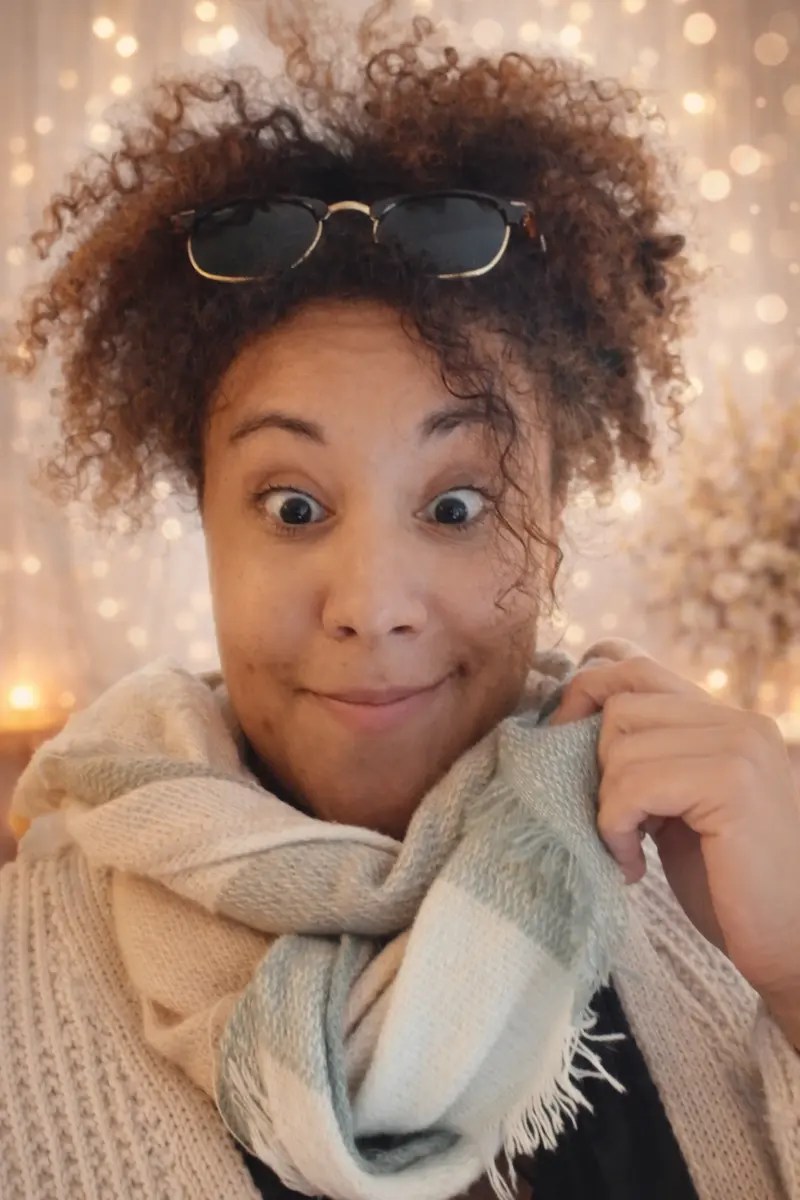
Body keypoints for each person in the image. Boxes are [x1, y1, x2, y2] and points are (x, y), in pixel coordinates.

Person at [1, 2, 799, 1198]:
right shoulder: (23, 975)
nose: (372, 606)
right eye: (290, 506)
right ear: (204, 517)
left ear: (559, 506)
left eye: (458, 505)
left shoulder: (718, 880)